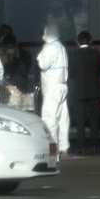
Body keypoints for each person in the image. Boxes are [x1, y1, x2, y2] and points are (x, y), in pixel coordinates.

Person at [68, 30, 100, 155]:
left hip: (79, 92)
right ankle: (95, 146)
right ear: (90, 41)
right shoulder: (97, 54)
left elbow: (71, 74)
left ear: (77, 42)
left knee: (80, 121)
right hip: (94, 91)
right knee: (94, 120)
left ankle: (81, 147)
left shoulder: (74, 55)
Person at [36, 23, 70, 157]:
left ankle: (52, 146)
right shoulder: (61, 47)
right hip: (62, 85)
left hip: (52, 86)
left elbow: (43, 64)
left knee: (50, 117)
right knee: (63, 117)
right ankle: (64, 145)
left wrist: (38, 56)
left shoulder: (50, 48)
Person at [0, 33, 35, 110]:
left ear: (16, 45)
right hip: (9, 91)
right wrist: (6, 60)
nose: (10, 50)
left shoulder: (25, 55)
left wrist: (17, 56)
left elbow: (25, 69)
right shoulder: (3, 58)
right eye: (7, 47)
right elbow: (3, 74)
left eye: (11, 47)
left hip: (23, 90)